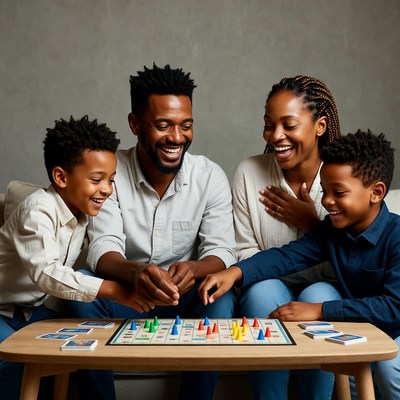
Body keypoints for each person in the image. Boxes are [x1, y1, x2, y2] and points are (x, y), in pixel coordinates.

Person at [64, 63, 237, 400]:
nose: (176, 137)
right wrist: (138, 271)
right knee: (84, 286)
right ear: (134, 124)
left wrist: (196, 269)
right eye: (162, 125)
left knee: (221, 296)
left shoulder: (210, 176)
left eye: (186, 126)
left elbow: (222, 251)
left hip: (187, 299)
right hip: (130, 297)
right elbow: (103, 248)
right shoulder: (109, 174)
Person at [199, 130, 400, 400]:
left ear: (376, 192)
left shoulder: (397, 237)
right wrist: (235, 271)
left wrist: (320, 310)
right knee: (352, 370)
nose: (327, 202)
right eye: (326, 191)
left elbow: (393, 307)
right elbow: (287, 256)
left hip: (395, 330)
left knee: (389, 367)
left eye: (338, 193)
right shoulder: (333, 230)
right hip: (362, 331)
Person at [0, 115, 145, 400]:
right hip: (1, 309)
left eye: (111, 180)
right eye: (96, 180)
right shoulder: (37, 211)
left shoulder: (84, 209)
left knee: (81, 342)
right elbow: (47, 273)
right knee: (12, 361)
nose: (107, 189)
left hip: (33, 311)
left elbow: (107, 245)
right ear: (61, 177)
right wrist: (115, 291)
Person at [232, 75, 342, 399]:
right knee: (262, 292)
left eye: (288, 125)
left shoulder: (343, 177)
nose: (276, 135)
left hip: (326, 284)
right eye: (269, 125)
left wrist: (313, 225)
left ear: (320, 125)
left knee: (320, 293)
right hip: (265, 281)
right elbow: (243, 250)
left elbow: (350, 259)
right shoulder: (249, 172)